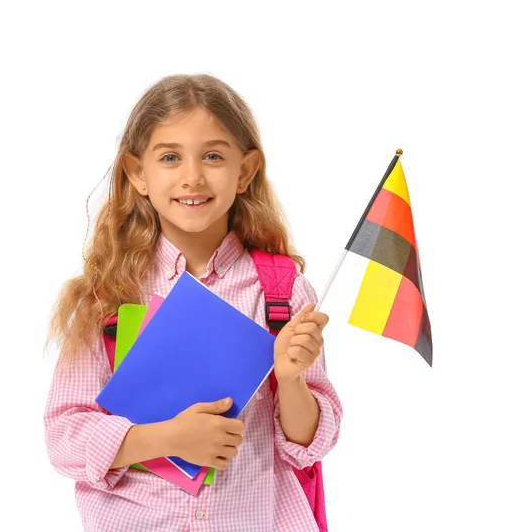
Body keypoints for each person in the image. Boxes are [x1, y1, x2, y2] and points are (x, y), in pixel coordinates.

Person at [43, 73, 343, 532]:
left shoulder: (279, 292)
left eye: (213, 156)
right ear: (138, 174)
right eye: (169, 157)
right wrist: (165, 438)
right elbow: (64, 435)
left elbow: (308, 444)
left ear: (245, 171)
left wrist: (291, 380)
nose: (192, 176)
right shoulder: (108, 295)